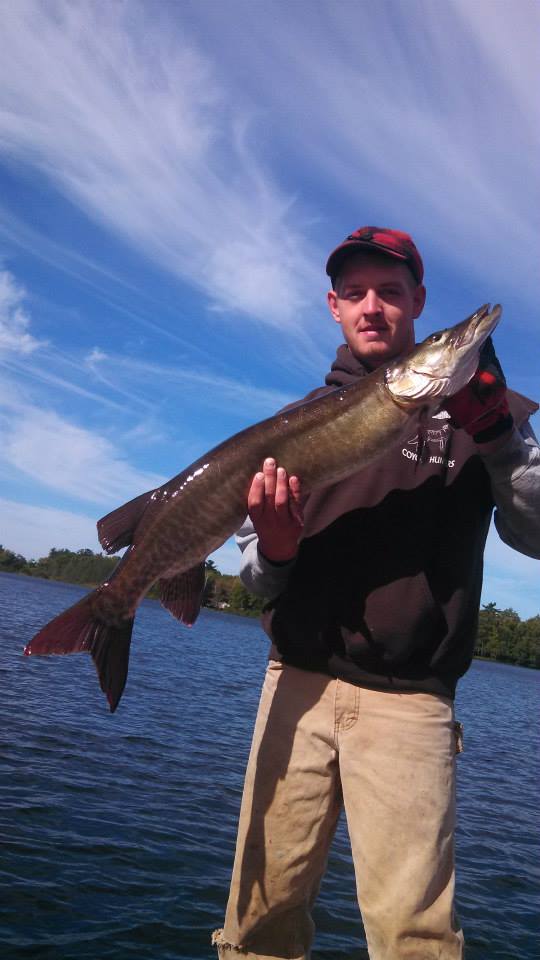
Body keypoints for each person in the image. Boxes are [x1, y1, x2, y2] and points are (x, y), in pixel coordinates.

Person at [212, 226, 540, 960]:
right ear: (333, 306)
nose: (373, 307)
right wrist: (275, 548)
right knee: (258, 922)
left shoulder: (486, 415)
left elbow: (535, 534)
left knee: (413, 941)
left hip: (412, 703)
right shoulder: (292, 425)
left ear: (417, 304)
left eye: (391, 292)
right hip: (295, 684)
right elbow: (252, 578)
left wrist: (497, 439)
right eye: (355, 293)